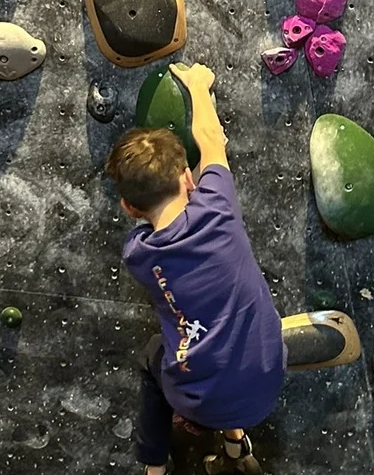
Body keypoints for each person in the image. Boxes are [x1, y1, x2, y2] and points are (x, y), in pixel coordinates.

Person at [104, 63, 286, 475]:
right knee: (239, 341)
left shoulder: (138, 252)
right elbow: (211, 140)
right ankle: (236, 443)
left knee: (153, 357)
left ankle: (153, 466)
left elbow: (151, 224)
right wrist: (199, 87)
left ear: (129, 209)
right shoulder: (217, 205)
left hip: (196, 401)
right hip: (266, 382)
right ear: (189, 179)